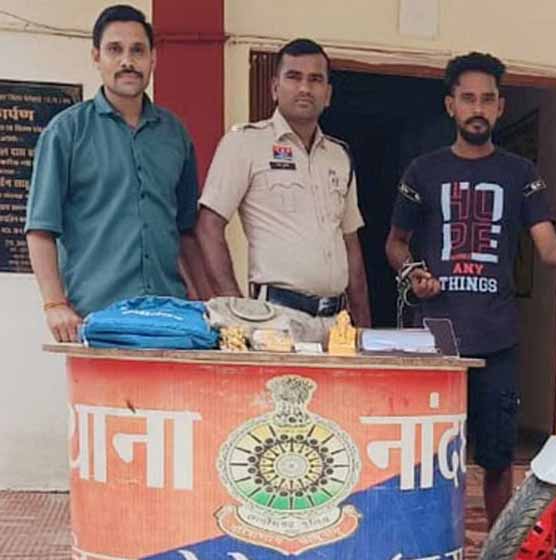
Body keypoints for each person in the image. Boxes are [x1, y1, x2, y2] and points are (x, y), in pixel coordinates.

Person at [385, 52, 556, 529]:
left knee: (499, 460)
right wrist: (414, 273)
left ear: (501, 107)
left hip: (497, 339)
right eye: (468, 99)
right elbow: (395, 244)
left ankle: (498, 547)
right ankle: (431, 546)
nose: (477, 108)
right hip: (437, 341)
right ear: (450, 105)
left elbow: (551, 250)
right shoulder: (423, 171)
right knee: (429, 460)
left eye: (487, 99)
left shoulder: (520, 174)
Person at [25, 4, 209, 343]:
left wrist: (205, 303)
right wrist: (55, 304)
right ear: (96, 57)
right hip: (96, 320)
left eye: (138, 50)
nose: (127, 61)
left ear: (153, 58)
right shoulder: (66, 132)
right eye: (115, 49)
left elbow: (186, 233)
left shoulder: (175, 135)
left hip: (170, 320)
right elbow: (40, 230)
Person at [196, 38, 371, 340]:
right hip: (276, 320)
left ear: (328, 94)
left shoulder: (339, 156)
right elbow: (208, 226)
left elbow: (350, 243)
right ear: (275, 88)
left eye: (315, 79)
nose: (304, 88)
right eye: (293, 77)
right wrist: (236, 310)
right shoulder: (245, 143)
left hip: (337, 324)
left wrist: (364, 328)